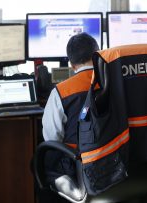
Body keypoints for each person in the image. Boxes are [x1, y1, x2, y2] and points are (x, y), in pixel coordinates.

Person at [41, 32, 99, 195]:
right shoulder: (115, 83)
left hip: (78, 166)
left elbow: (52, 137)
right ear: (98, 55)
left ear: (72, 64)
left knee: (38, 163)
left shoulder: (61, 92)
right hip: (116, 163)